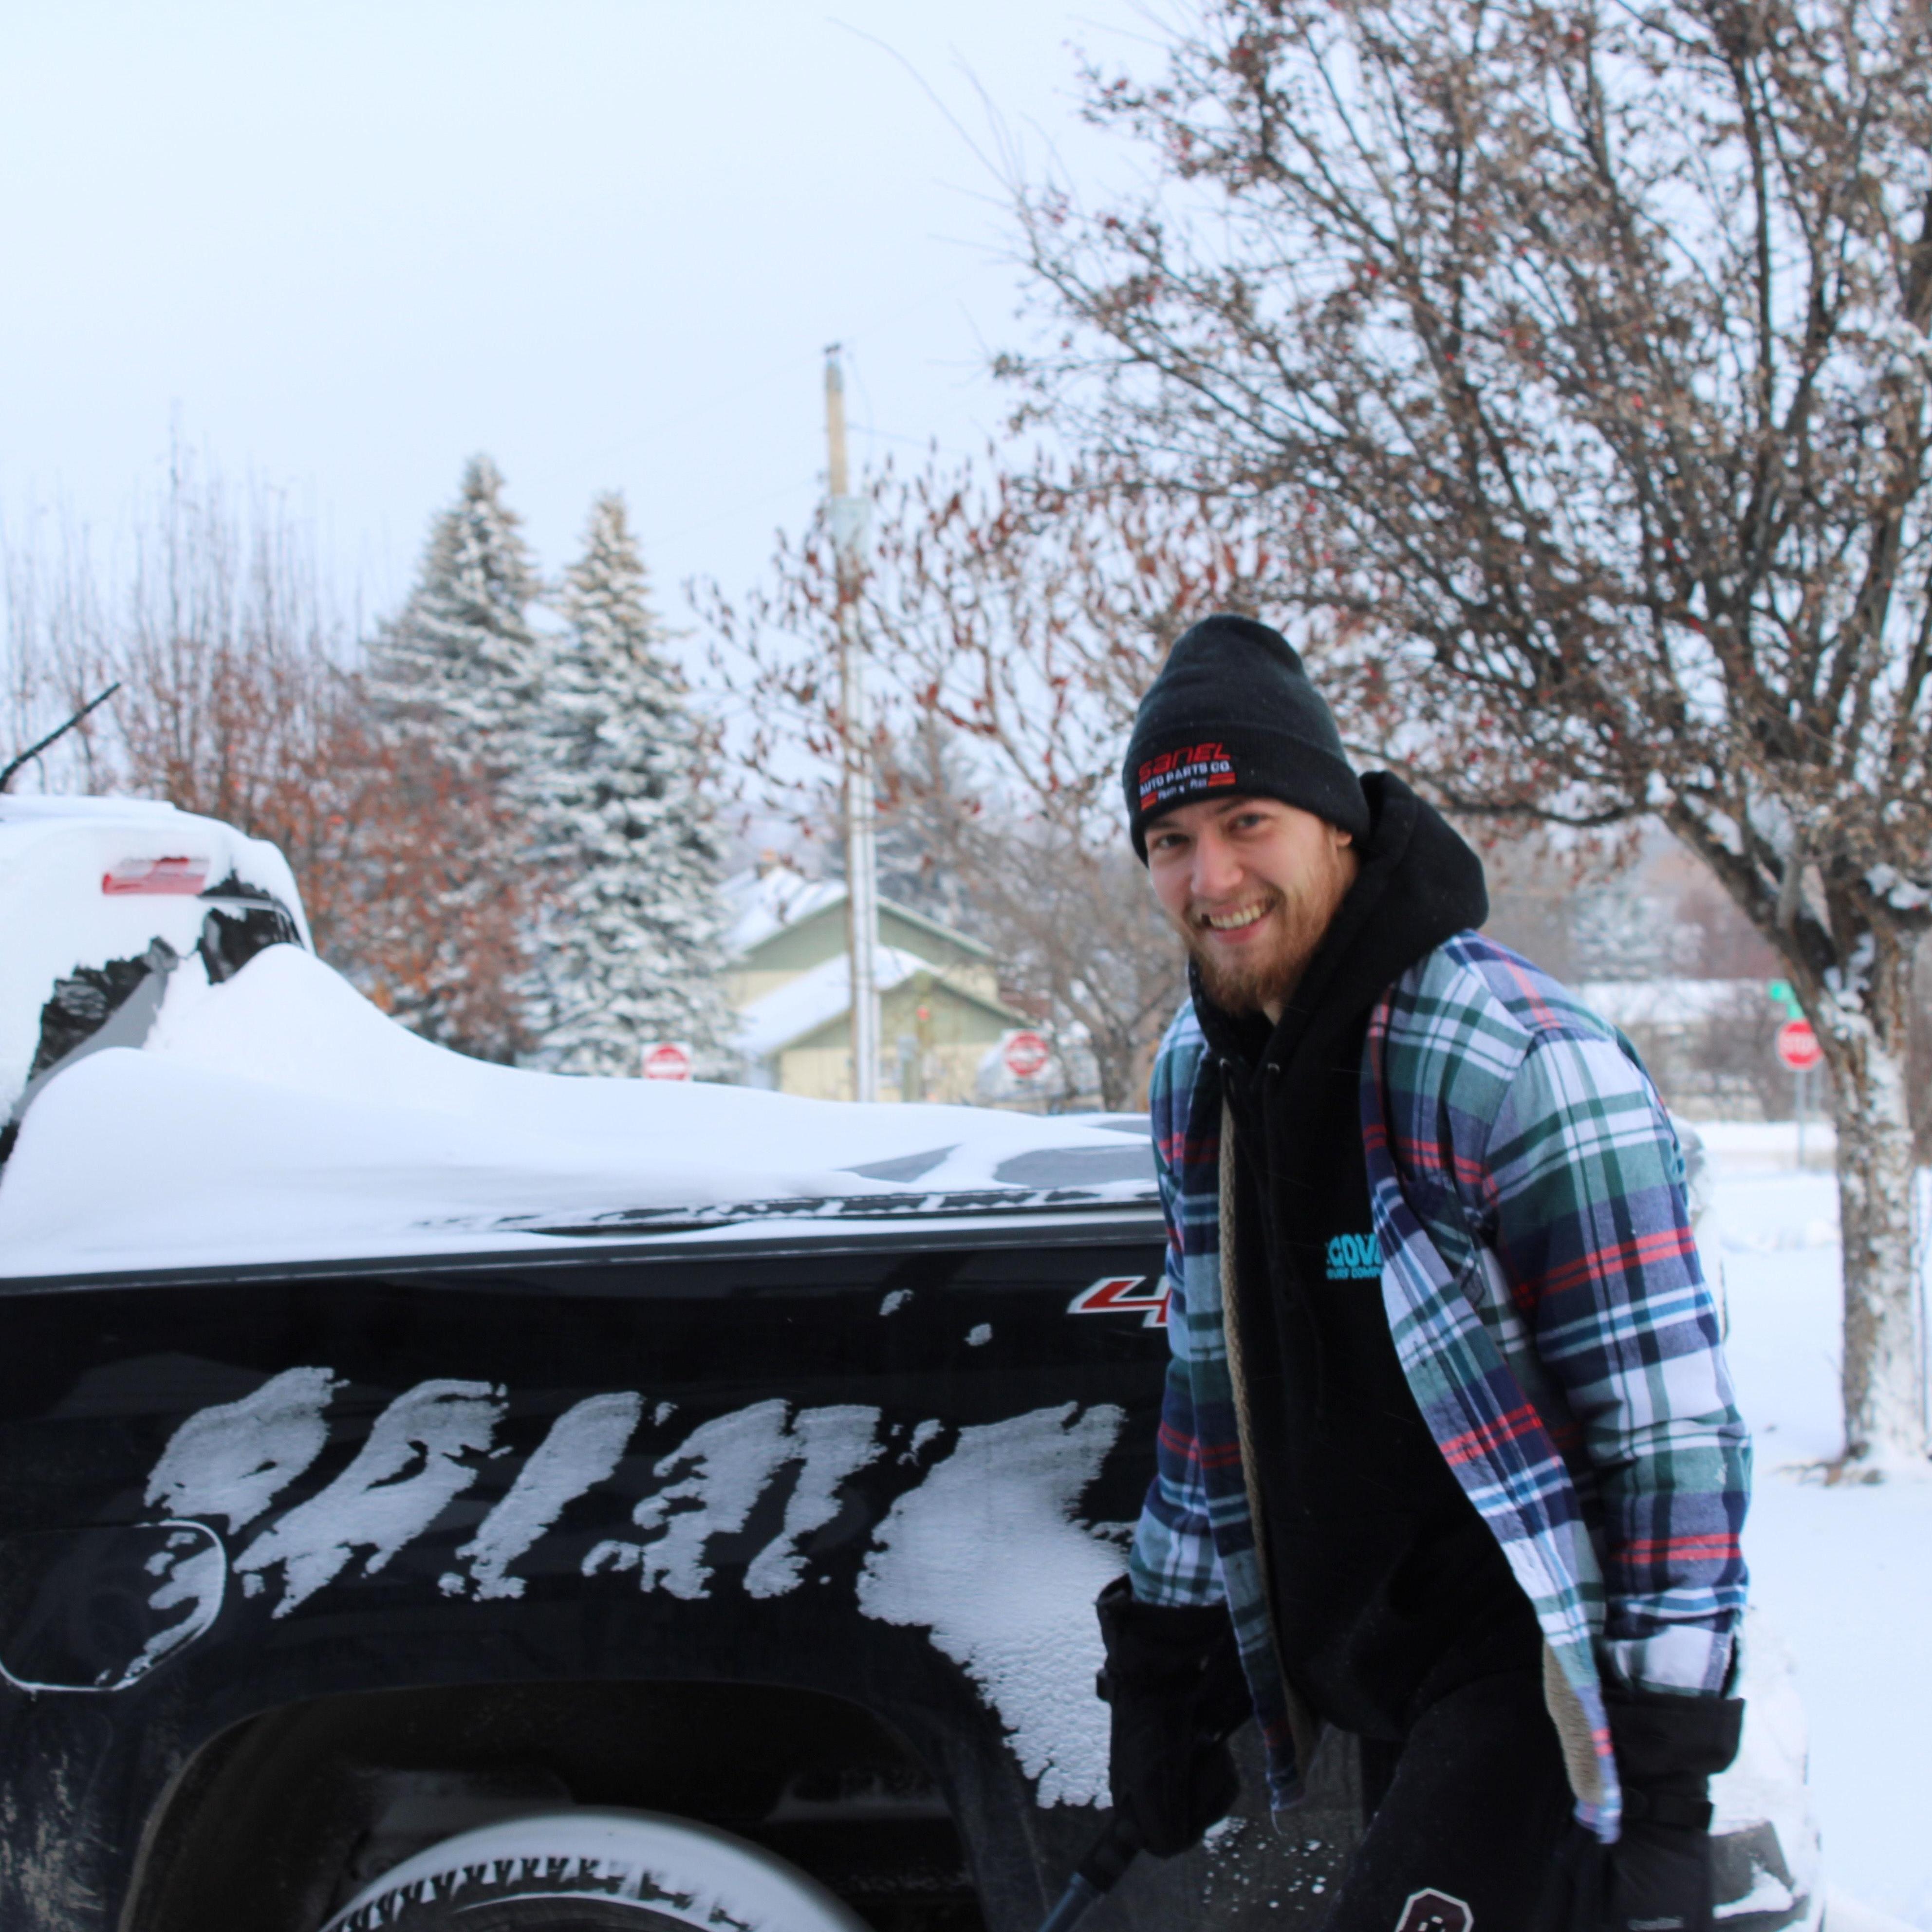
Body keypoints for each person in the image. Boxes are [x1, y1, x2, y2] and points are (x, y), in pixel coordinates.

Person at [1095, 614, 1750, 1932]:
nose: (1211, 876)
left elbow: (1669, 1435)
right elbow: (1208, 1386)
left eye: (1247, 822)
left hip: (1534, 1676)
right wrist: (1164, 1666)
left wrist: (1667, 1788)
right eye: (1171, 840)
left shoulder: (1518, 1064)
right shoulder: (1200, 1075)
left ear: (1336, 825)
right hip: (1382, 1682)